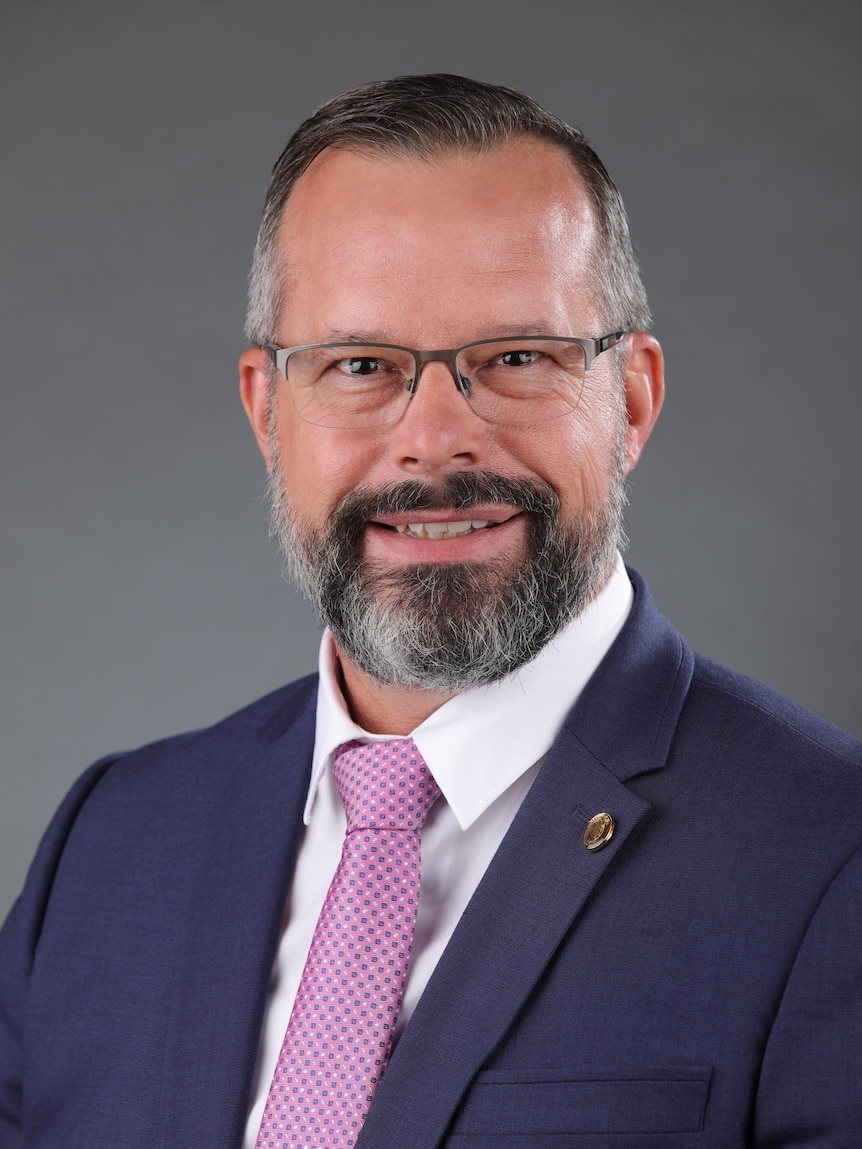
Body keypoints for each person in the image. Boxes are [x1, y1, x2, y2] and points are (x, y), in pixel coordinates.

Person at [1, 74, 860, 1149]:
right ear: (269, 412)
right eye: (360, 365)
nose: (435, 440)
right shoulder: (114, 843)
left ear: (629, 401)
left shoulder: (832, 862)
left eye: (515, 359)